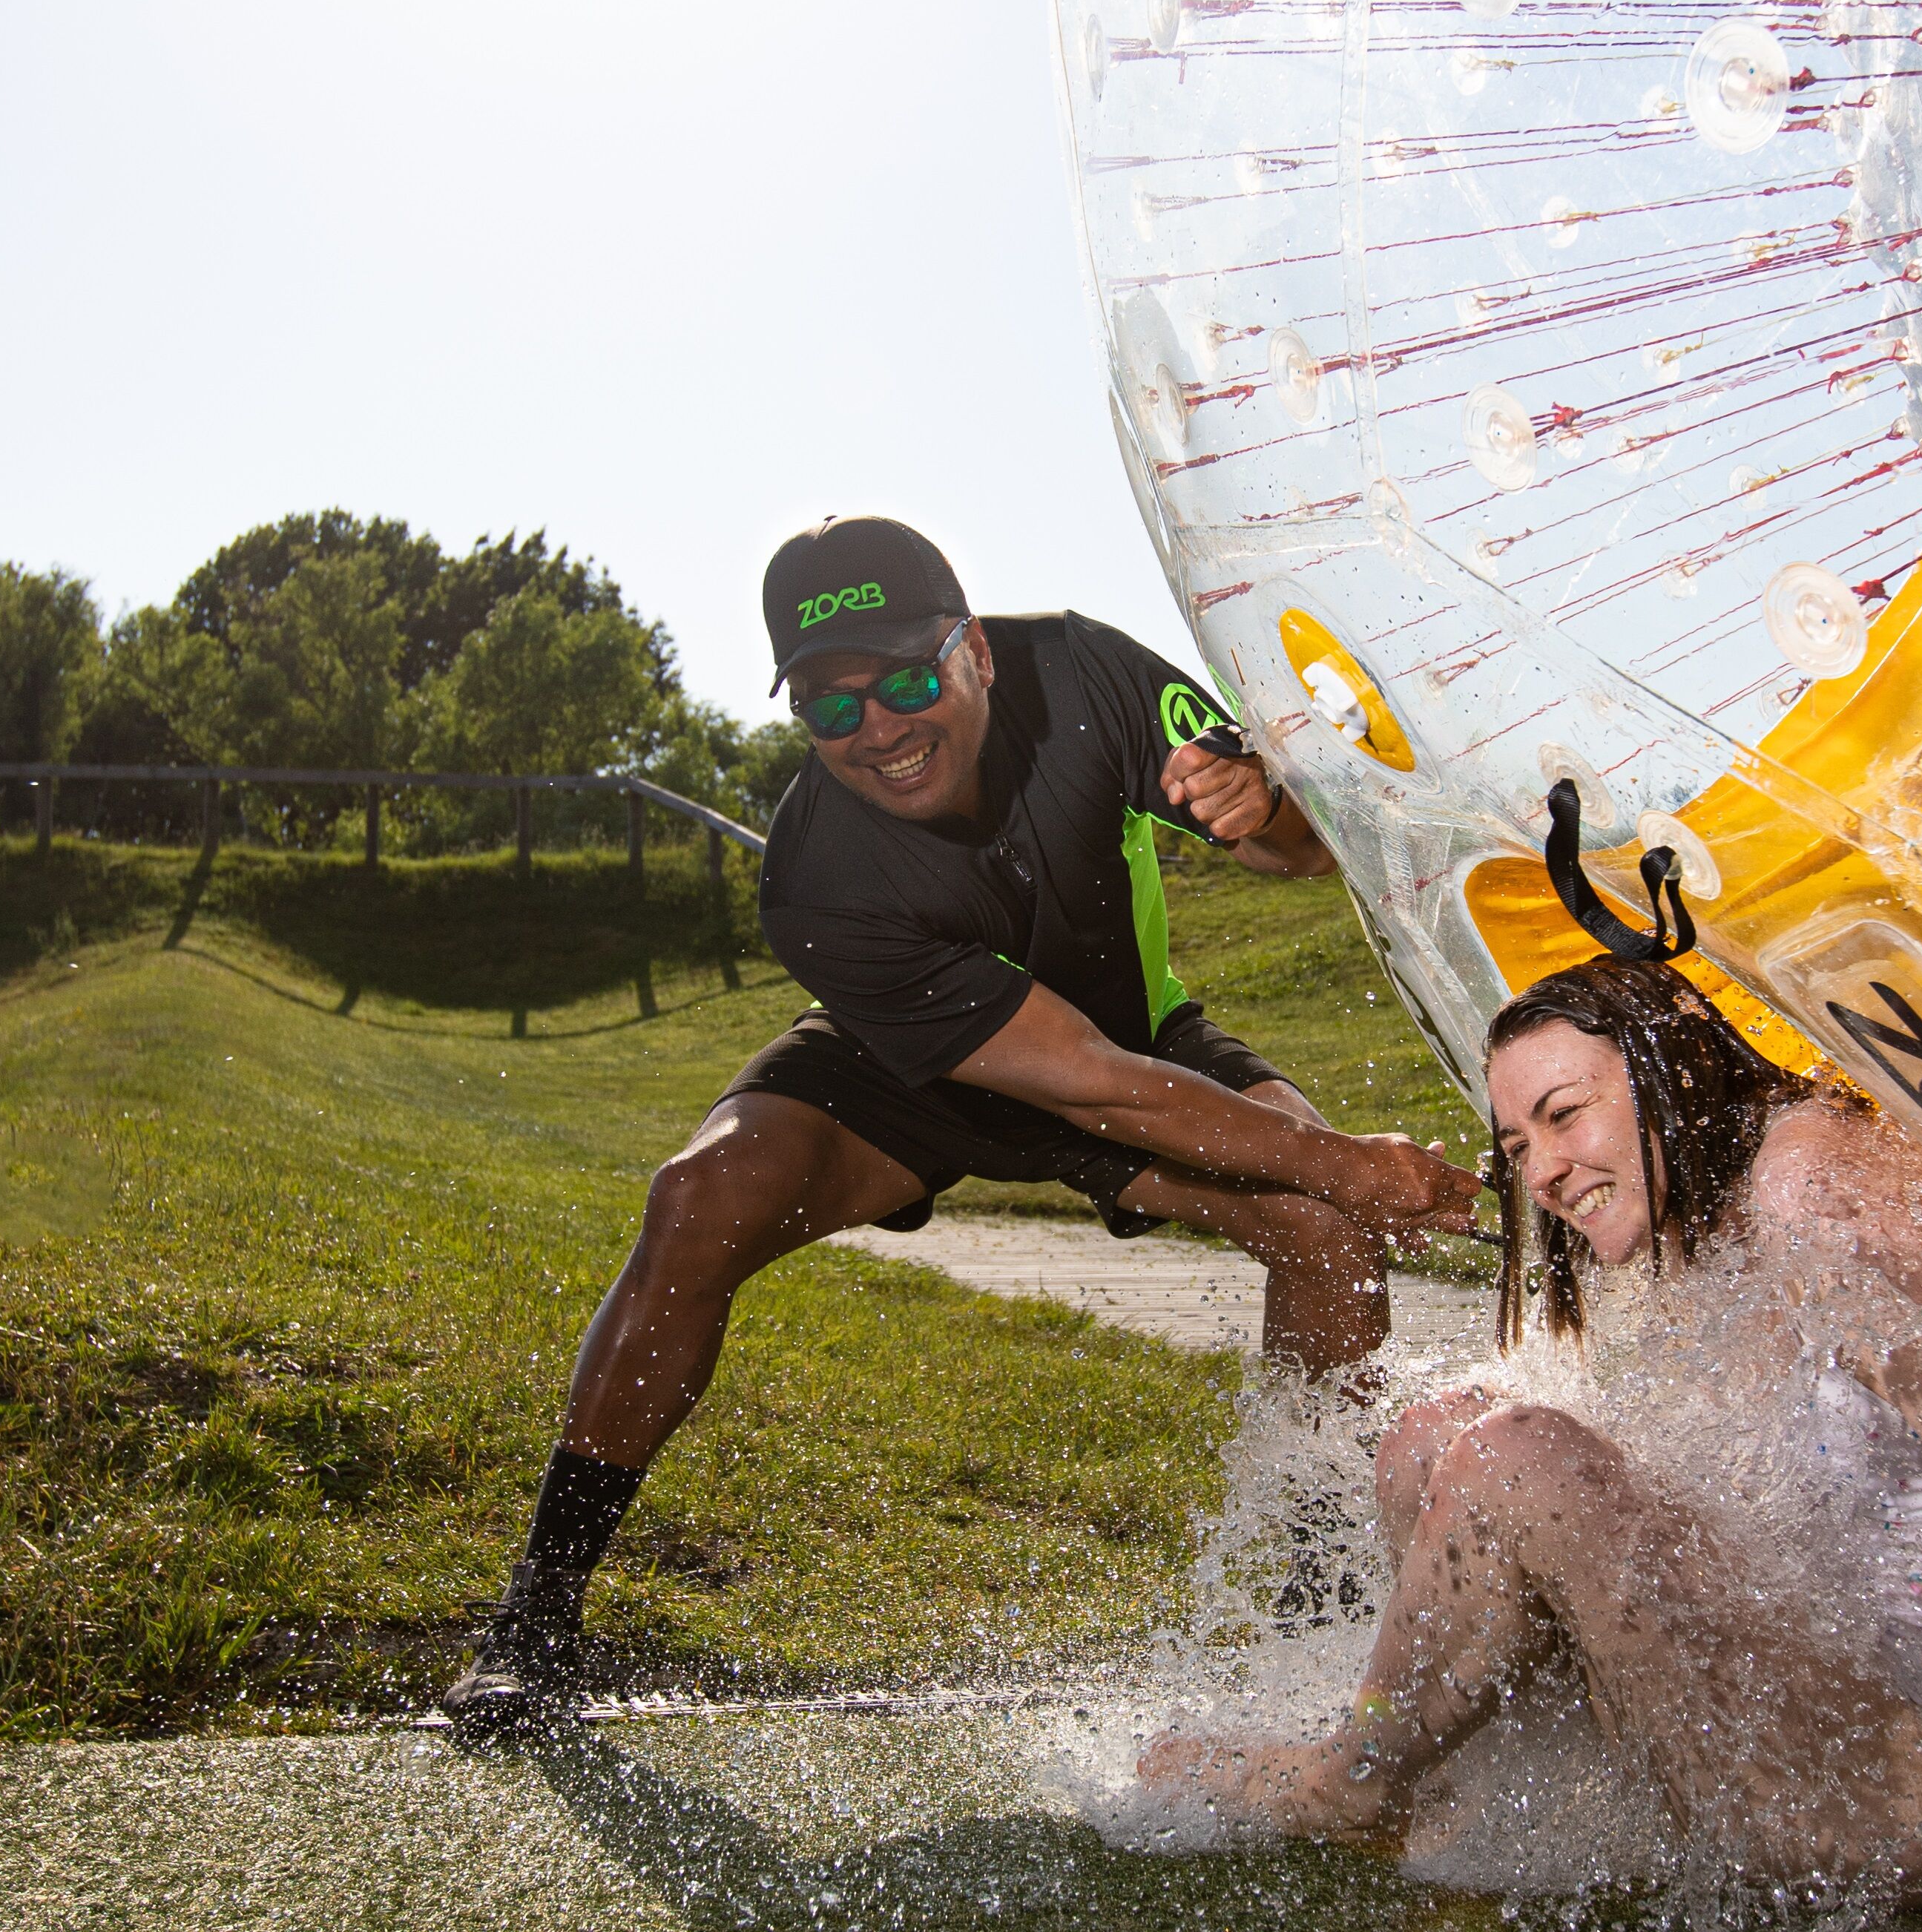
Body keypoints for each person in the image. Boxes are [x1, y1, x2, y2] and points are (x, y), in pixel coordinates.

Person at [440, 514, 1482, 1730]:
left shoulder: (1093, 673)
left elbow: (1300, 858)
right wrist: (1350, 1156)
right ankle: (536, 1612)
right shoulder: (814, 880)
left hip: (1125, 1036)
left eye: (906, 680)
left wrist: (1269, 810)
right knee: (697, 1198)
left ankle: (1316, 1611)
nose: (879, 729)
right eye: (833, 709)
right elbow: (1079, 1083)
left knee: (1321, 1231)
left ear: (974, 650)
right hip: (928, 1070)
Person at [1140, 954, 1922, 1932]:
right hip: (1803, 1705)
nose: (1542, 1171)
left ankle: (1354, 1780)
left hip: (1908, 1793)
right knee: (1437, 1434)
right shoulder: (1721, 1188)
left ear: (1661, 1069)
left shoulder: (1817, 1199)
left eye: (1563, 1117)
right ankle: (1440, 1783)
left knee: (1514, 1457)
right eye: (1515, 1147)